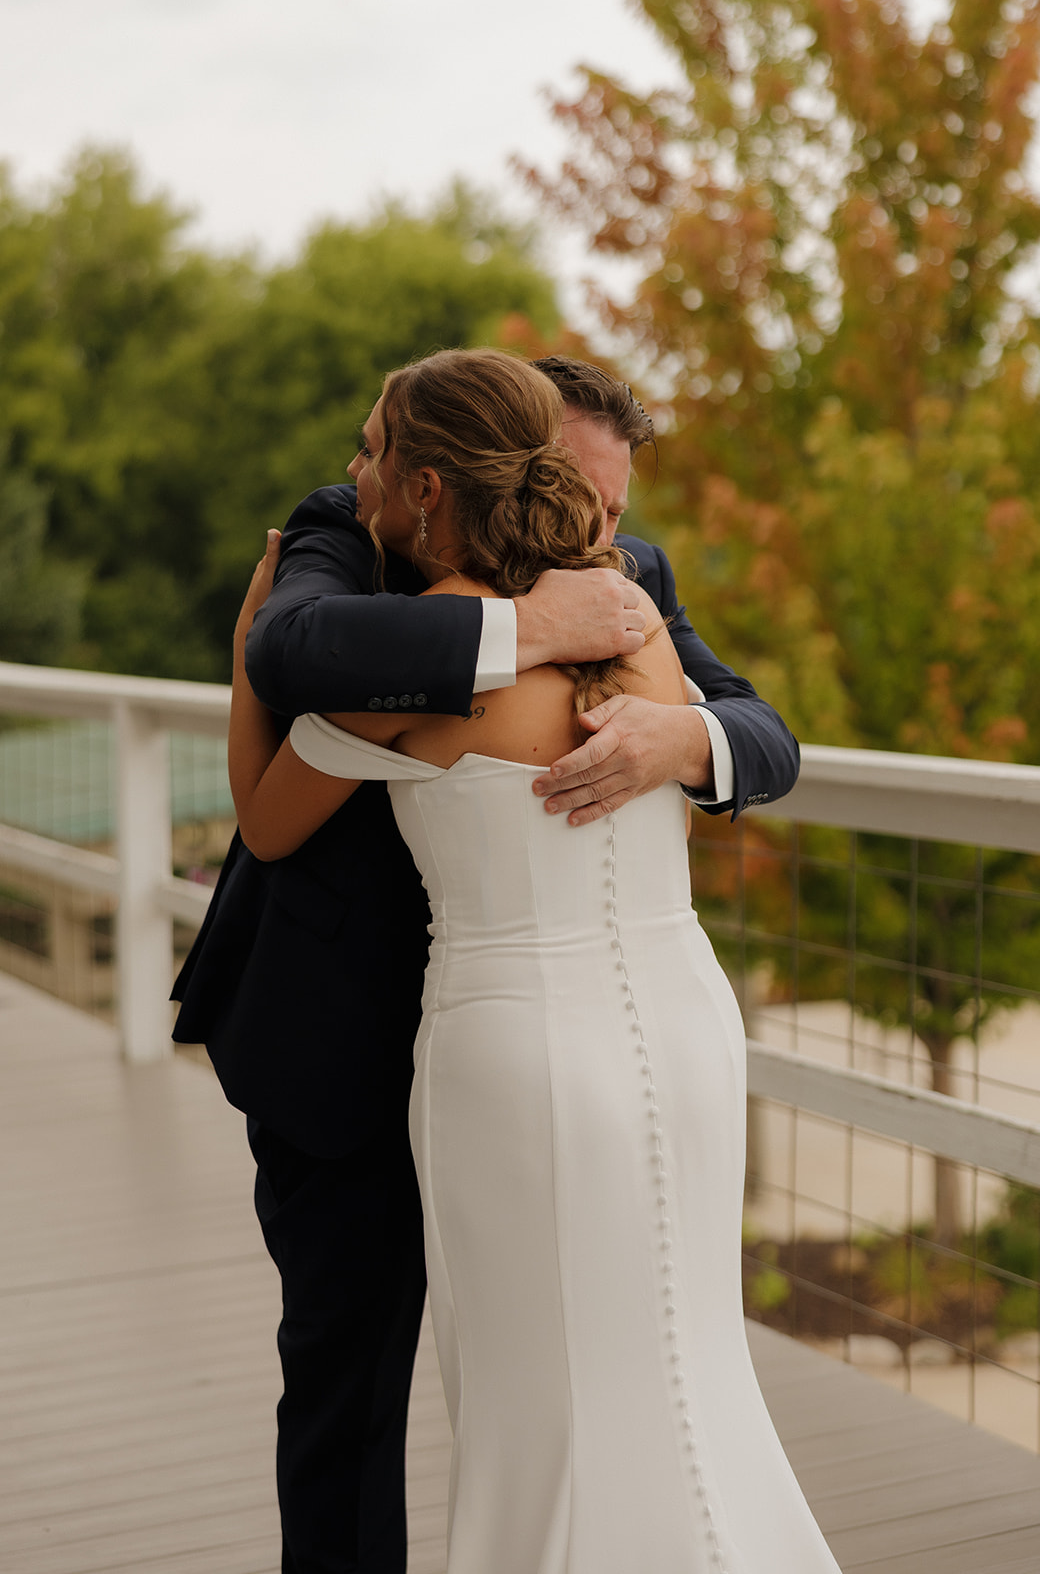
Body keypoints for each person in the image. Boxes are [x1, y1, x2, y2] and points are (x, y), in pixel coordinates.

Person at [172, 353, 800, 1574]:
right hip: (462, 1038)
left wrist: (693, 739)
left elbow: (264, 797)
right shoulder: (380, 539)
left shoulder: (618, 600)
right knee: (648, 1364)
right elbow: (309, 641)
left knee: (542, 1386)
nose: (603, 531)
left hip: (504, 1055)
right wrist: (523, 629)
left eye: (616, 510)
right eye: (581, 493)